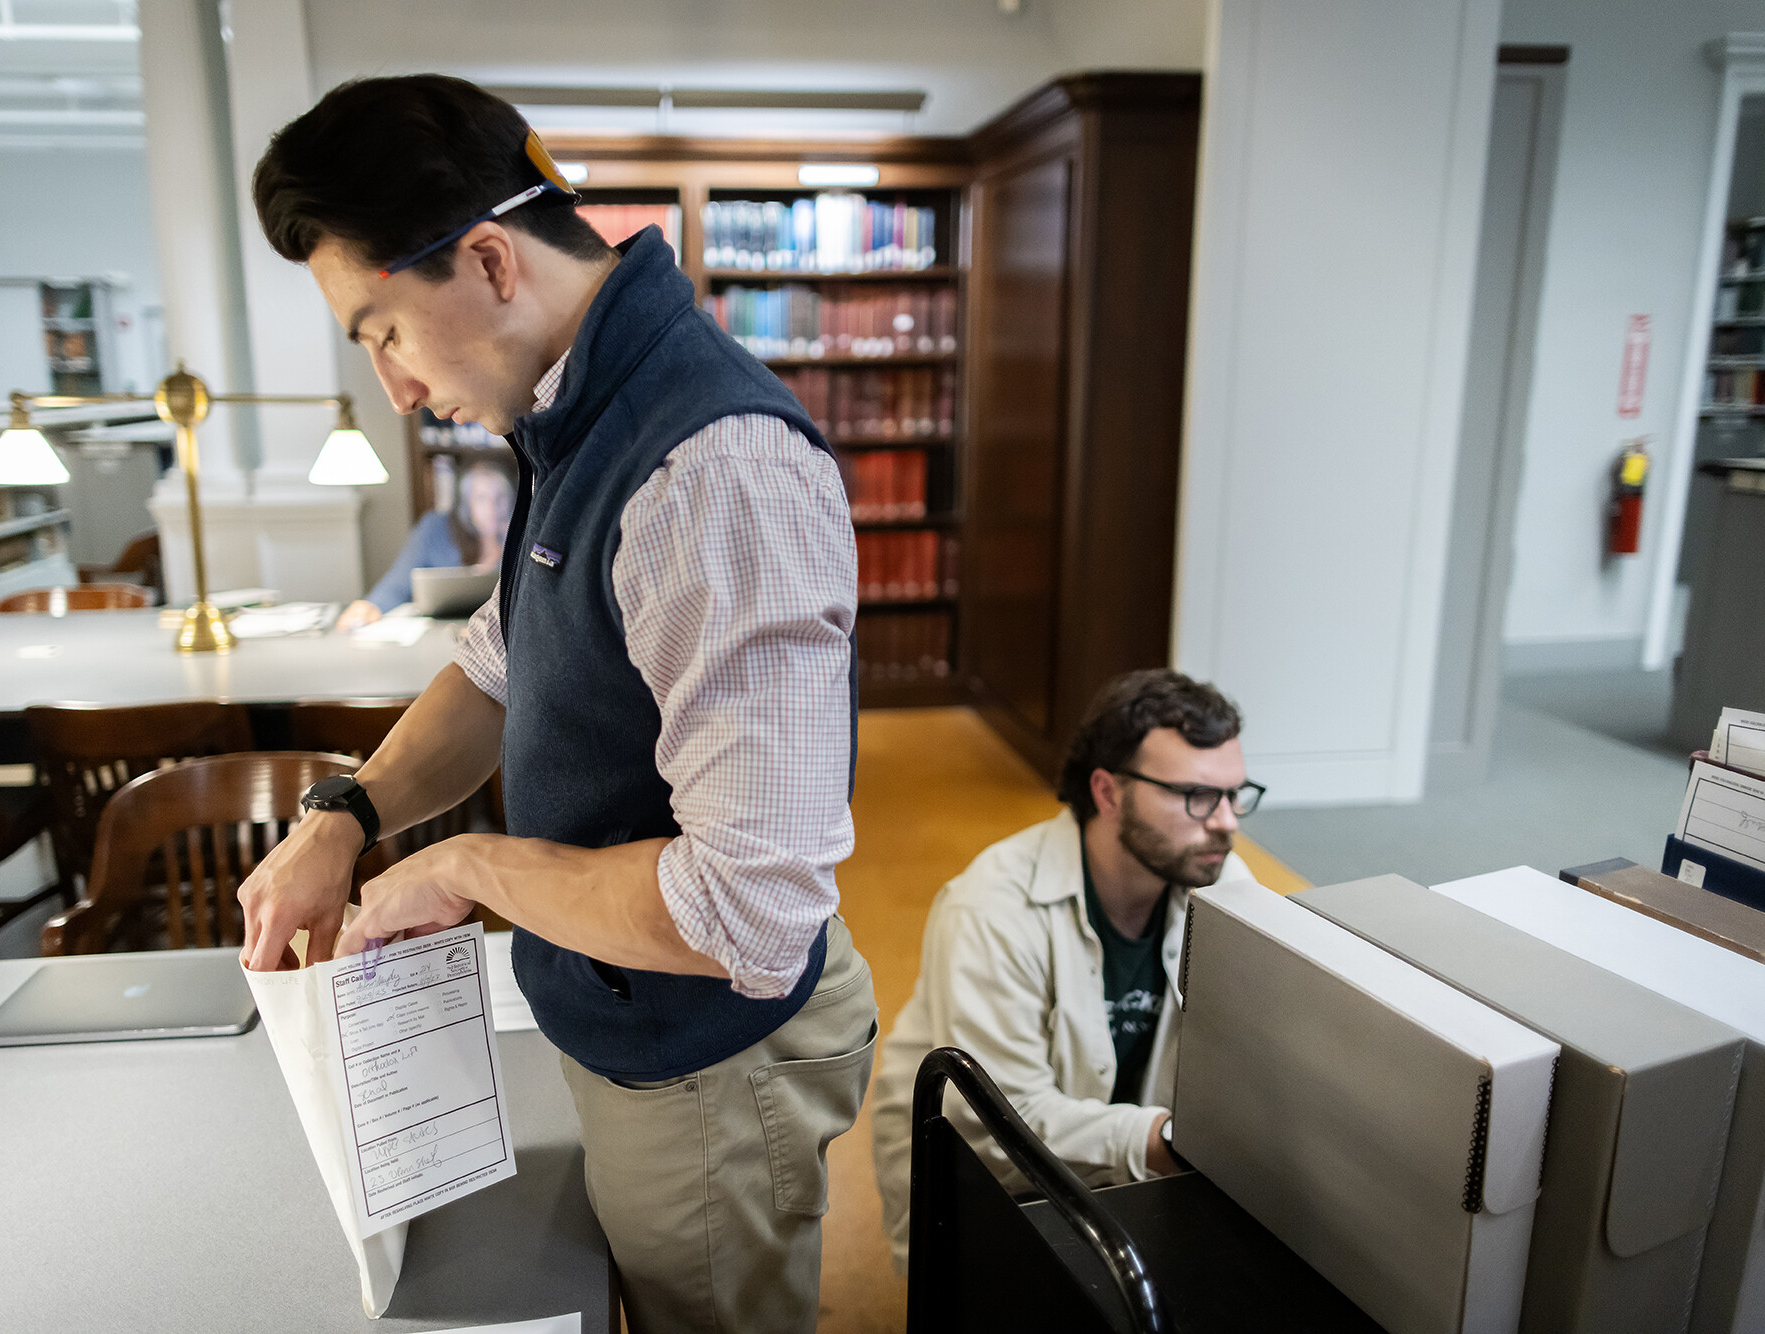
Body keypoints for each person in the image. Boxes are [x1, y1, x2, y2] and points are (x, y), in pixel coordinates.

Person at [240, 75, 875, 1334]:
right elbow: (500, 659)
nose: (395, 388)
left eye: (383, 331)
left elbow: (748, 908)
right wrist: (346, 813)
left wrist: (464, 863)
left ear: (488, 261)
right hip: (627, 1010)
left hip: (705, 1056)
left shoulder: (710, 472)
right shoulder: (573, 412)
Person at [870, 669, 1265, 1271]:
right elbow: (1005, 1128)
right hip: (992, 1186)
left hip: (1135, 1172)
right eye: (1196, 796)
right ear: (1107, 792)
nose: (1226, 822)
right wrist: (1163, 1142)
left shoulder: (1221, 883)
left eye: (1235, 795)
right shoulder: (992, 908)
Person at [337, 462, 514, 629]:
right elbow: (398, 583)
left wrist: (506, 541)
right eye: (481, 498)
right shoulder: (435, 528)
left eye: (500, 498)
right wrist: (371, 606)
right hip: (443, 631)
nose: (492, 508)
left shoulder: (520, 537)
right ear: (466, 503)